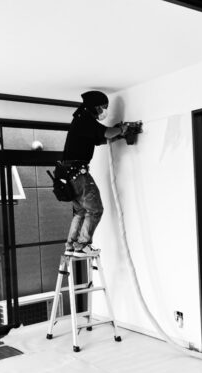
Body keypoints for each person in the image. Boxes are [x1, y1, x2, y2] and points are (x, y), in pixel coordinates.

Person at [62, 90, 128, 258]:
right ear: (93, 106)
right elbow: (107, 133)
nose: (103, 111)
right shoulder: (85, 119)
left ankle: (71, 245)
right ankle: (83, 245)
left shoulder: (80, 120)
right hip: (78, 173)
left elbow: (101, 138)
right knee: (95, 210)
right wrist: (122, 129)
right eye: (102, 107)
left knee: (80, 211)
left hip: (69, 174)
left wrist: (119, 135)